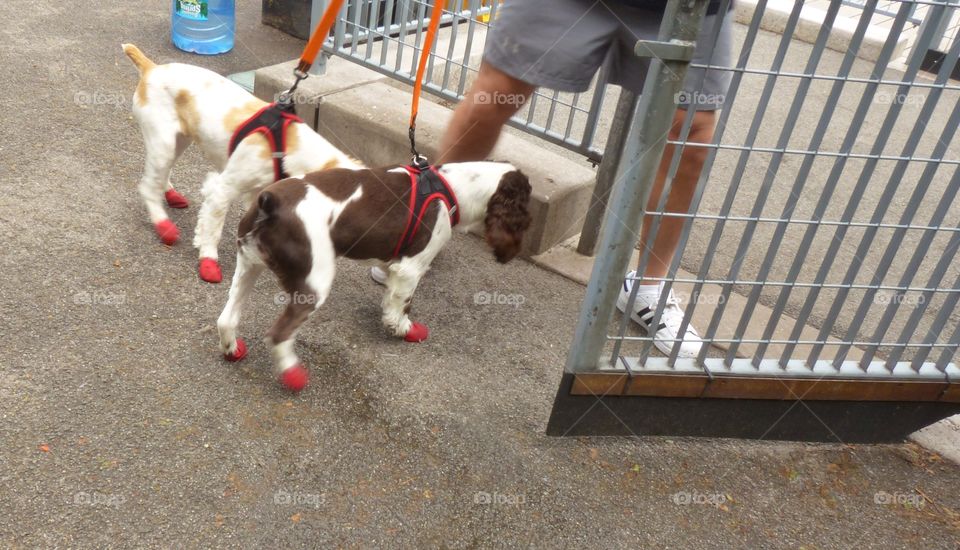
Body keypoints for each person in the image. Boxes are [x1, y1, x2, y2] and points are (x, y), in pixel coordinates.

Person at [374, 0, 734, 358]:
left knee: (693, 135)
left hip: (691, 7)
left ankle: (648, 287)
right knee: (494, 94)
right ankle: (423, 230)